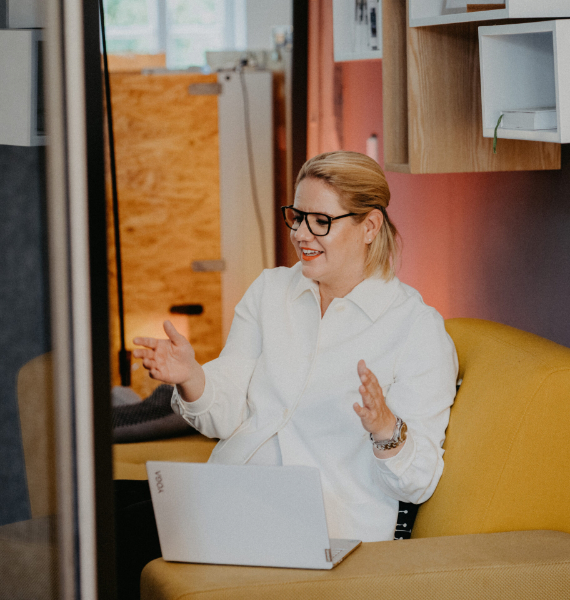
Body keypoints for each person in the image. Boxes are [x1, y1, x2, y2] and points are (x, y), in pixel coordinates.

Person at [133, 150, 458, 543]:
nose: (301, 234)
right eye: (298, 216)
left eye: (321, 221)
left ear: (370, 226)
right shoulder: (270, 291)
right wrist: (192, 378)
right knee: (112, 529)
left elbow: (418, 483)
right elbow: (226, 415)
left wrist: (385, 429)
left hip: (326, 531)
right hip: (230, 497)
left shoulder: (417, 329)